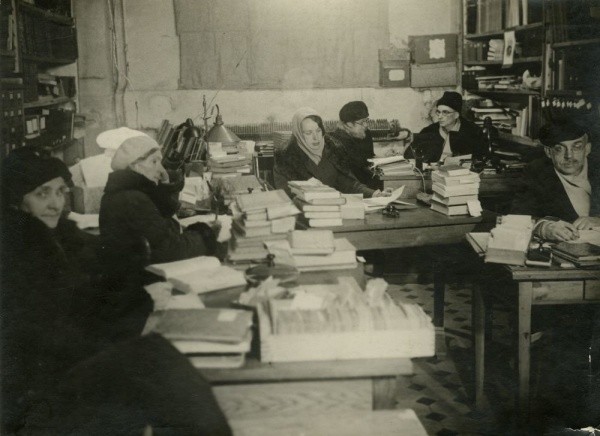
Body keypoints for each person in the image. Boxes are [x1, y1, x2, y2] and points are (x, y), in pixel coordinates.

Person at [0, 147, 231, 434]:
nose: (55, 204)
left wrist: (137, 291)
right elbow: (57, 337)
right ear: (16, 201)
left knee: (159, 359)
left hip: (65, 372)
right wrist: (134, 315)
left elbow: (101, 280)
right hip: (38, 401)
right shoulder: (20, 252)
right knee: (157, 362)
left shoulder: (58, 236)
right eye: (42, 194)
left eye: (59, 192)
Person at [99, 128, 218, 277]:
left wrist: (165, 185)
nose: (161, 170)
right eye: (154, 161)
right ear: (134, 166)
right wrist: (207, 234)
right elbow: (171, 249)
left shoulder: (129, 193)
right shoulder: (133, 200)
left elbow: (167, 230)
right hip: (139, 280)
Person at [511, 120, 600, 241]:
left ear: (587, 148)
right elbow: (518, 216)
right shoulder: (536, 171)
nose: (569, 156)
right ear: (549, 152)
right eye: (559, 149)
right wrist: (542, 228)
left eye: (577, 147)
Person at [274, 107, 389, 198]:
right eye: (308, 133)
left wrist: (374, 194)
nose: (316, 137)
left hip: (335, 210)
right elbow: (285, 197)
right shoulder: (285, 158)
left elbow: (348, 184)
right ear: (299, 134)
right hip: (307, 213)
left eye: (318, 131)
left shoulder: (333, 149)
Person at [404, 91, 486, 163]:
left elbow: (481, 159)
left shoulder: (473, 132)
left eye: (445, 112)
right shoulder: (429, 131)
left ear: (456, 115)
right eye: (438, 112)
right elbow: (408, 156)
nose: (440, 116)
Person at [329, 101, 383, 190]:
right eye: (362, 122)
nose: (366, 125)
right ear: (349, 124)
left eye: (366, 120)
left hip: (368, 184)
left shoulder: (365, 134)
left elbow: (369, 158)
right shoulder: (336, 142)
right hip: (352, 188)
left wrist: (385, 158)